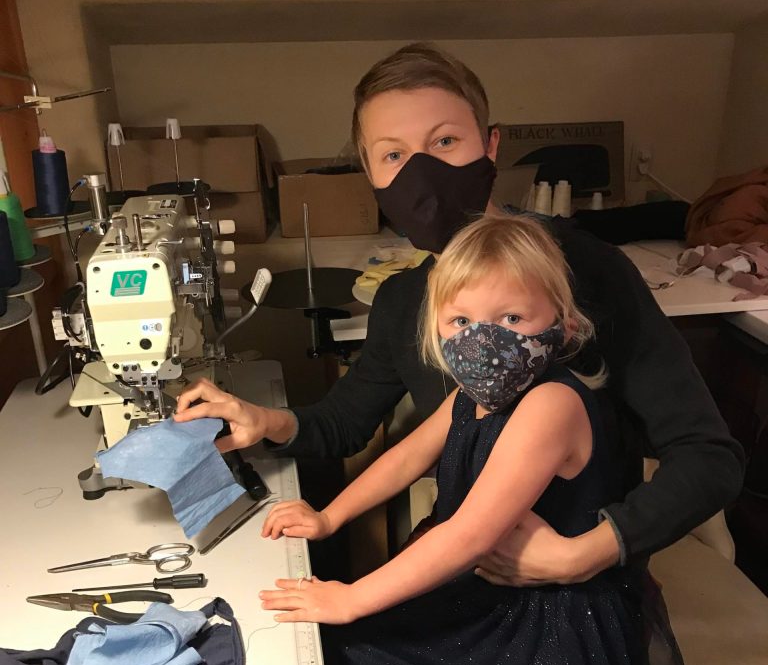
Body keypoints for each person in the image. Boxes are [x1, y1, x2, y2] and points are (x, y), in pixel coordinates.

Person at [175, 41, 743, 588]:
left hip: (578, 586)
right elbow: (345, 423)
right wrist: (265, 422)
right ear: (370, 174)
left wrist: (582, 556)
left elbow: (709, 457)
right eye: (393, 155)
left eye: (444, 141)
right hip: (462, 565)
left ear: (490, 146)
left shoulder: (588, 272)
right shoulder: (403, 300)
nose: (420, 171)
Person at [258, 214, 655, 665]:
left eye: (512, 319)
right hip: (485, 598)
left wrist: (350, 596)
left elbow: (468, 533)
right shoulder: (469, 396)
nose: (484, 339)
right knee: (340, 663)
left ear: (562, 324)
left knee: (352, 663)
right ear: (436, 327)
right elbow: (407, 456)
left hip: (545, 630)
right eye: (462, 321)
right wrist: (329, 514)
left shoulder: (551, 404)